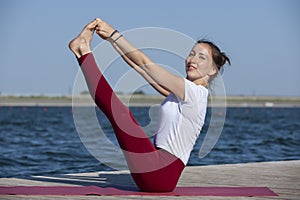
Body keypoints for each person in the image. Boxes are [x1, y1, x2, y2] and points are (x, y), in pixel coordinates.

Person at [69, 18, 230, 192]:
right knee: (120, 114)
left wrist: (113, 34)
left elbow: (147, 65)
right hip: (157, 171)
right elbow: (139, 67)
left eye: (201, 57)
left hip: (160, 173)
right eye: (191, 53)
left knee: (121, 115)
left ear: (213, 70)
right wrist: (110, 40)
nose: (192, 59)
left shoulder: (194, 93)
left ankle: (83, 50)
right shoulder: (183, 93)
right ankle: (82, 51)